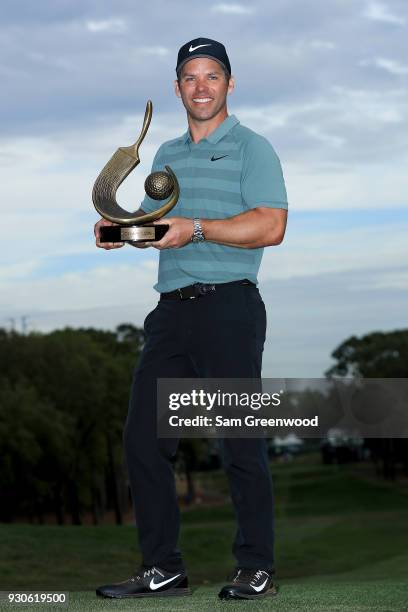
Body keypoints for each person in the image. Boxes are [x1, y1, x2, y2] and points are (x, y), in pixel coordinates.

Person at [94, 37, 288, 601]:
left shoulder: (254, 148)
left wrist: (199, 227)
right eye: (189, 77)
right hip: (170, 312)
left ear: (229, 84)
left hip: (230, 308)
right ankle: (164, 569)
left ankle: (257, 568)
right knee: (142, 441)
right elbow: (164, 231)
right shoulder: (166, 158)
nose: (200, 87)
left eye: (211, 76)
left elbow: (270, 226)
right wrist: (122, 232)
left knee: (238, 443)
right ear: (176, 87)